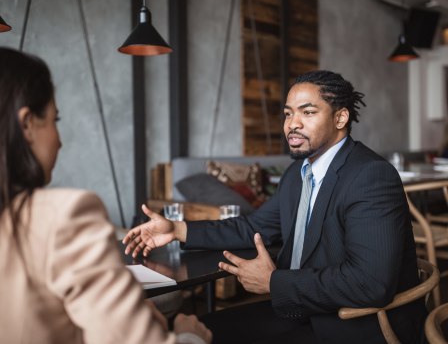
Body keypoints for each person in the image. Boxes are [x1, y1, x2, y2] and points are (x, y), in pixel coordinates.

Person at [124, 70, 427, 343]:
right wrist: (176, 229)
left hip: (354, 325)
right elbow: (253, 226)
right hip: (302, 310)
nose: (292, 124)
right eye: (287, 114)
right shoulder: (297, 174)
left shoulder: (370, 175)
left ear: (340, 118)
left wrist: (273, 282)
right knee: (197, 329)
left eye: (308, 113)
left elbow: (370, 284)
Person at [0, 47, 212, 344]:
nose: (59, 141)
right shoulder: (63, 216)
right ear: (26, 124)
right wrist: (189, 337)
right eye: (54, 121)